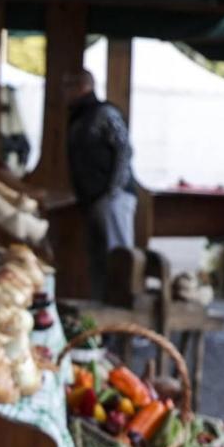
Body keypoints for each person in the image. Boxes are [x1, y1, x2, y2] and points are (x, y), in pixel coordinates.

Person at [65, 67, 135, 303]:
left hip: (112, 199)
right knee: (99, 265)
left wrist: (112, 191)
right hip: (93, 200)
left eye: (68, 86)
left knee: (120, 263)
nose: (64, 93)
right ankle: (104, 324)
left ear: (83, 86)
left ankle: (126, 328)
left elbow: (124, 149)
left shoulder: (104, 113)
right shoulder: (79, 117)